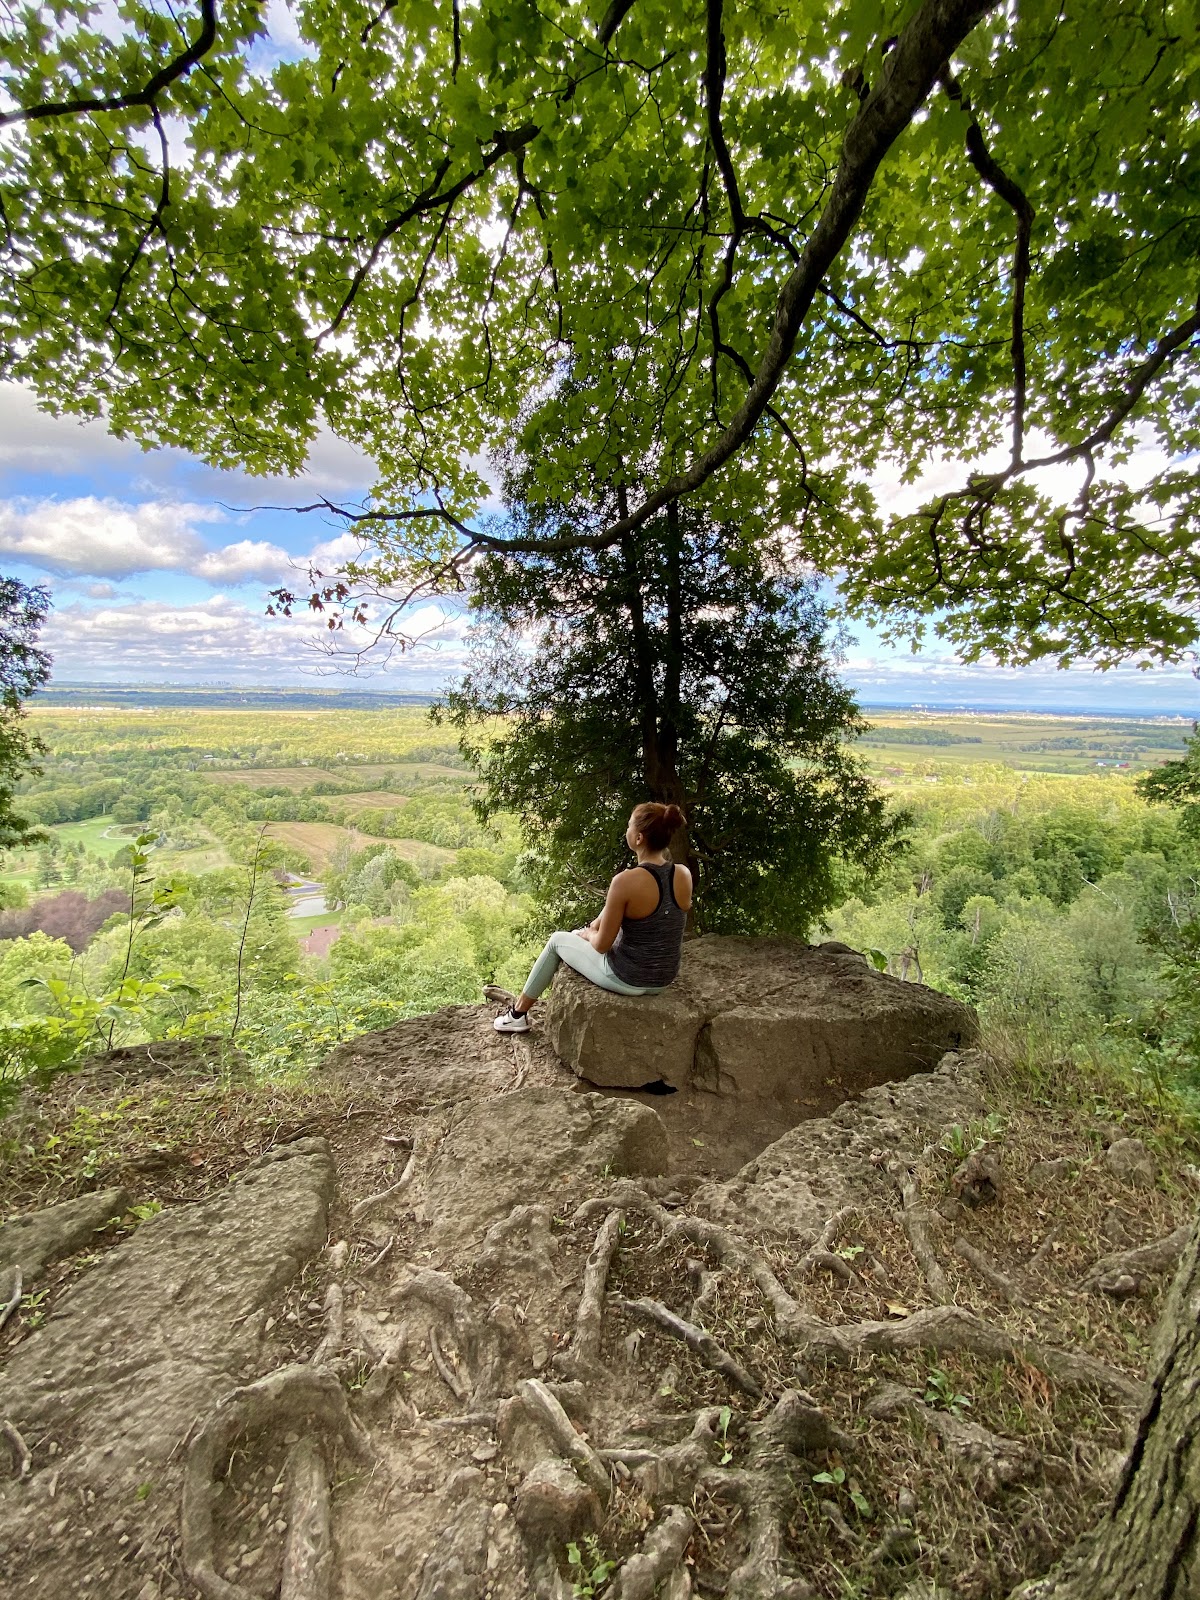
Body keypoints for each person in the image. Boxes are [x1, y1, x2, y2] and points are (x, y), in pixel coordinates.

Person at [493, 802, 692, 1032]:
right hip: (664, 980)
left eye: (629, 825)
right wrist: (597, 924)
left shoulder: (625, 881)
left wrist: (587, 933)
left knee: (557, 940)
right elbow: (653, 915)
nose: (626, 830)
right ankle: (518, 1014)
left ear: (638, 838)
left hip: (627, 978)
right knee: (592, 928)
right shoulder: (682, 874)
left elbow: (601, 945)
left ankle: (517, 1015)